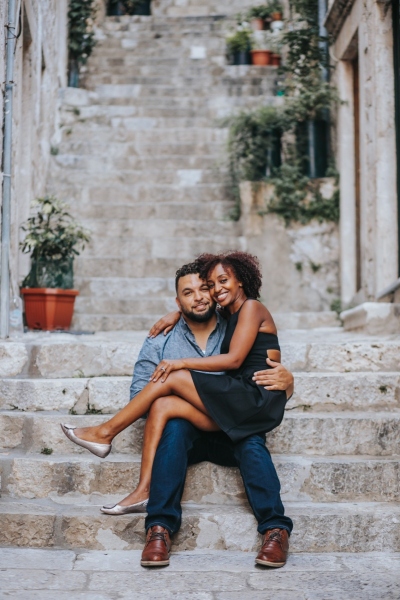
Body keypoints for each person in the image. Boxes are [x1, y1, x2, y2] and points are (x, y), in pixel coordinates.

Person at [61, 252, 294, 568]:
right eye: (193, 292)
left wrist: (288, 379)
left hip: (238, 419)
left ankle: (276, 530)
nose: (204, 295)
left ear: (238, 281)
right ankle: (158, 527)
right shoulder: (161, 338)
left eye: (208, 287)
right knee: (167, 408)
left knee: (249, 441)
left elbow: (254, 359)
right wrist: (177, 318)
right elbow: (140, 397)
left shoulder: (236, 317)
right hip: (194, 428)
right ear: (178, 300)